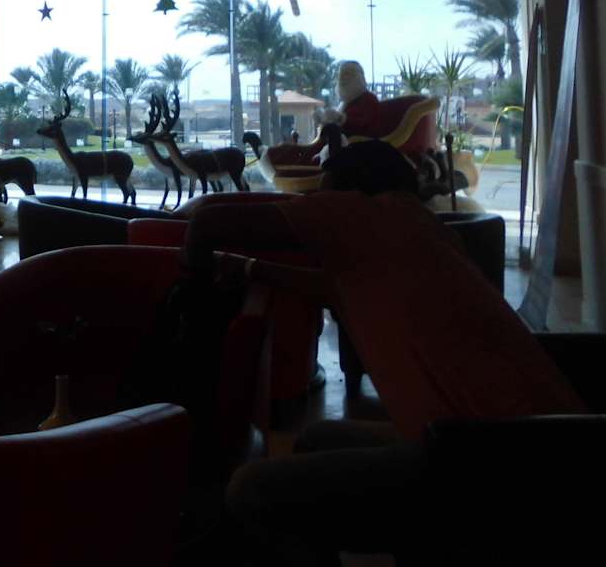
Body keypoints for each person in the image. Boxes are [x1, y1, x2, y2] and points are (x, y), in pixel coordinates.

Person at [202, 143, 586, 564]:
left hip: (483, 461)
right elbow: (333, 288)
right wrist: (247, 267)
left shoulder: (361, 215)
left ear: (350, 192)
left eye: (325, 191)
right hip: (545, 444)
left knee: (250, 490)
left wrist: (190, 267)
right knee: (317, 440)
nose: (318, 201)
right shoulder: (419, 231)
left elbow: (206, 220)